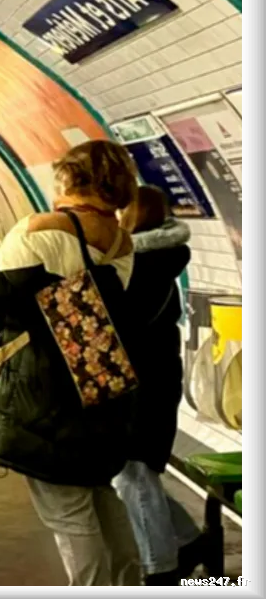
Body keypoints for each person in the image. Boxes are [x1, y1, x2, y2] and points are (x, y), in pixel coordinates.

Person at [0, 140, 142, 585]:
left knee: (69, 514)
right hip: (102, 386)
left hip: (44, 390)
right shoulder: (122, 239)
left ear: (72, 179)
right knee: (98, 493)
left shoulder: (40, 228)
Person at [112, 185, 209, 585]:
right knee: (134, 472)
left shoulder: (141, 266)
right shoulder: (156, 261)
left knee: (134, 473)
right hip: (154, 376)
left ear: (131, 216)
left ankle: (160, 569)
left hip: (143, 382)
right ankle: (188, 541)